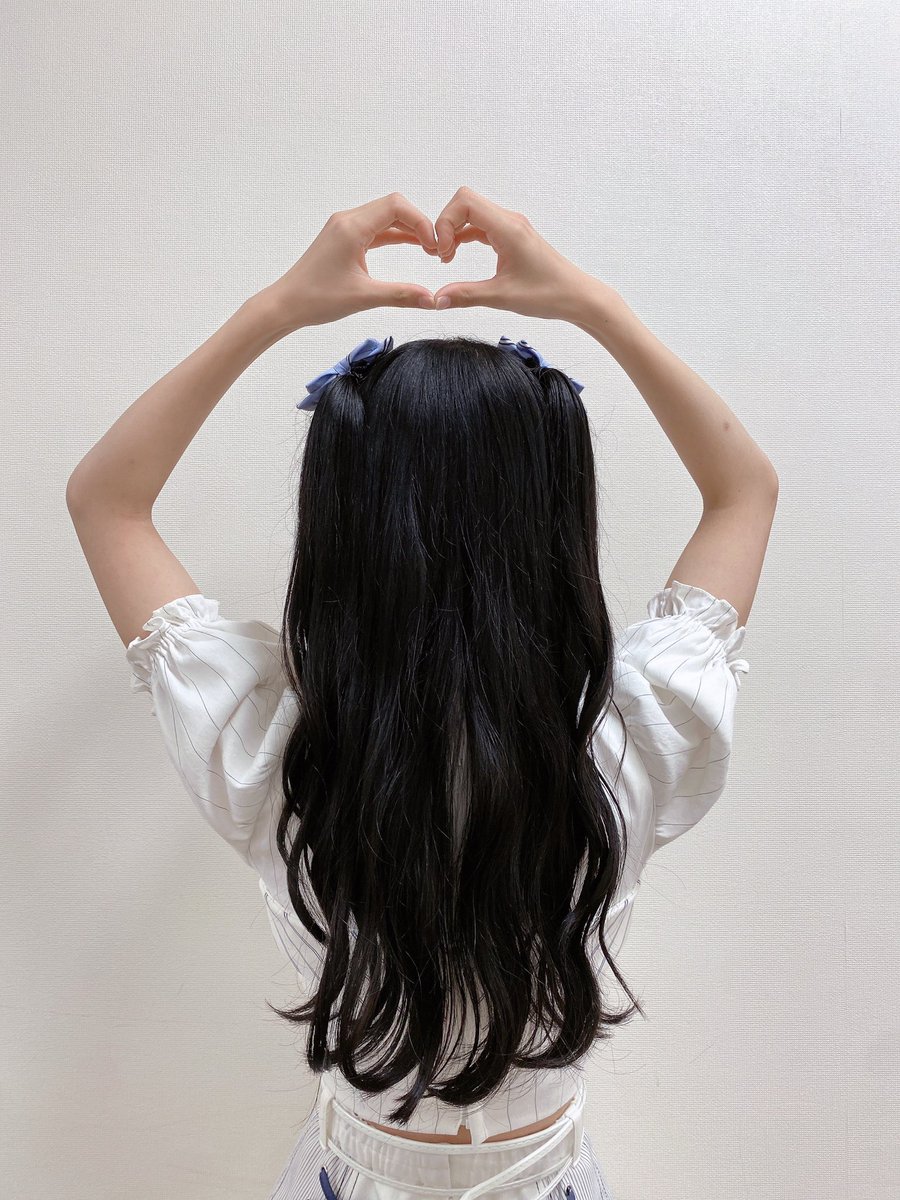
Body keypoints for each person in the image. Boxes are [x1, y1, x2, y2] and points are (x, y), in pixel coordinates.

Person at [66, 187, 779, 1199]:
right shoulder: (627, 739)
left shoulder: (275, 750)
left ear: (339, 524)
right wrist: (589, 302)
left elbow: (107, 500)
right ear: (556, 520)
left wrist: (279, 307)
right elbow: (745, 490)